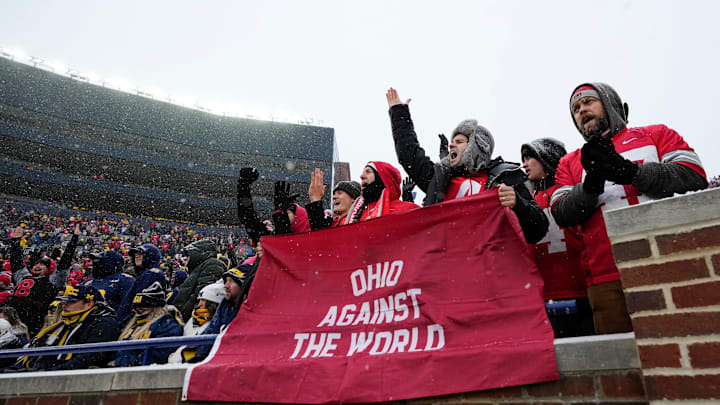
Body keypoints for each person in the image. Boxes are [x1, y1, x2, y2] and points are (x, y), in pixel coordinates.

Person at [551, 82, 708, 334]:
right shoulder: (569, 162)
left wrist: (630, 171)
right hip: (606, 277)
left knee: (688, 343)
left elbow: (693, 176)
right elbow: (561, 212)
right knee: (622, 363)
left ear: (609, 103)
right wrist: (591, 184)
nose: (581, 110)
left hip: (668, 259)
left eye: (589, 102)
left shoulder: (656, 134)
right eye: (576, 108)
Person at [385, 88, 548, 243]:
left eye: (459, 141)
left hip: (492, 266)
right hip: (451, 265)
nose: (451, 145)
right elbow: (409, 155)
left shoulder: (506, 178)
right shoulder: (441, 180)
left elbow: (538, 230)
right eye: (451, 142)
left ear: (477, 147)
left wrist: (518, 204)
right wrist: (399, 113)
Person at [521, 138, 594, 337]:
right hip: (541, 297)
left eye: (530, 158)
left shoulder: (569, 197)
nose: (524, 164)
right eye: (523, 159)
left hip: (581, 291)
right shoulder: (527, 202)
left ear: (547, 158)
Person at [7, 285, 119, 371]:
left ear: (89, 304)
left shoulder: (104, 323)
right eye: (65, 301)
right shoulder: (65, 324)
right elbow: (45, 354)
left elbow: (90, 357)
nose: (65, 305)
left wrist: (53, 372)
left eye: (71, 302)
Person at [6, 224, 80, 336]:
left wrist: (73, 241)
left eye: (43, 264)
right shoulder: (24, 276)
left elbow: (64, 264)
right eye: (37, 263)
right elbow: (16, 262)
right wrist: (15, 243)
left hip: (33, 323)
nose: (38, 266)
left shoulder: (52, 280)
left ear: (50, 268)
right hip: (11, 319)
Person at [186, 266, 249, 363]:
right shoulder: (225, 305)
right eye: (226, 281)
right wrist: (197, 359)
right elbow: (210, 333)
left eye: (231, 281)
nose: (226, 286)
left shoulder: (247, 310)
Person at [114, 281, 183, 367]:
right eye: (135, 311)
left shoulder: (167, 325)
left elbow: (160, 355)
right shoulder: (133, 325)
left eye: (141, 311)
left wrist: (133, 364)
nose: (137, 314)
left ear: (155, 309)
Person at [344, 161, 420, 224]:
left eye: (368, 172)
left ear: (382, 179)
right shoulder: (357, 216)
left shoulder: (409, 209)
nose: (361, 176)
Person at [167, 281, 225, 363]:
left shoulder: (215, 325)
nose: (200, 304)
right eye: (199, 300)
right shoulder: (194, 319)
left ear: (213, 304)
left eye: (204, 301)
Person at [172, 239, 227, 321]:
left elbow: (202, 298)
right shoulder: (199, 268)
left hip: (191, 319)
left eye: (190, 255)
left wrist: (186, 315)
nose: (187, 259)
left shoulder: (213, 265)